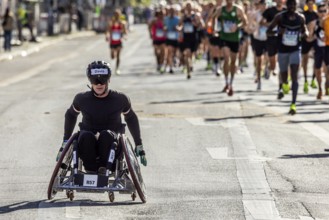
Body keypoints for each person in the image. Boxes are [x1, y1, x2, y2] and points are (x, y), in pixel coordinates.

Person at [57, 61, 147, 174]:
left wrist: (139, 144)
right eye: (95, 80)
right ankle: (91, 170)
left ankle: (105, 169)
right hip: (87, 145)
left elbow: (131, 118)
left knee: (106, 135)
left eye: (102, 80)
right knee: (85, 135)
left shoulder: (120, 99)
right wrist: (65, 141)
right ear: (90, 81)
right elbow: (70, 115)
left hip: (112, 146)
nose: (99, 84)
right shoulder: (81, 99)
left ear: (108, 80)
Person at [267, 0, 308, 115]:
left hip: (295, 49)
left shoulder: (300, 18)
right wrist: (279, 33)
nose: (292, 7)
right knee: (284, 75)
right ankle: (284, 83)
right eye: (290, 4)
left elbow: (305, 31)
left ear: (296, 6)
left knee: (294, 75)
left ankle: (293, 104)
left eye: (294, 4)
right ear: (287, 5)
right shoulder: (279, 17)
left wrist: (305, 34)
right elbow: (268, 31)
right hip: (283, 50)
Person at [212, 0, 248, 96]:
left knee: (233, 62)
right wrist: (214, 29)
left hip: (234, 39)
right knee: (226, 58)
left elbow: (245, 22)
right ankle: (226, 82)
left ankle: (231, 82)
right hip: (224, 38)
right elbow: (213, 17)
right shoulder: (221, 10)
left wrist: (237, 26)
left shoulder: (238, 10)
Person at [106, 9, 127, 75]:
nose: (117, 15)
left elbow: (125, 32)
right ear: (114, 15)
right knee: (112, 57)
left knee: (118, 56)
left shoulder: (122, 23)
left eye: (118, 14)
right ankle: (113, 52)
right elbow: (108, 31)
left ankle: (117, 68)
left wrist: (124, 36)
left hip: (119, 42)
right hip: (112, 42)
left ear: (120, 15)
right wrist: (107, 36)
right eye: (116, 14)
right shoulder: (111, 22)